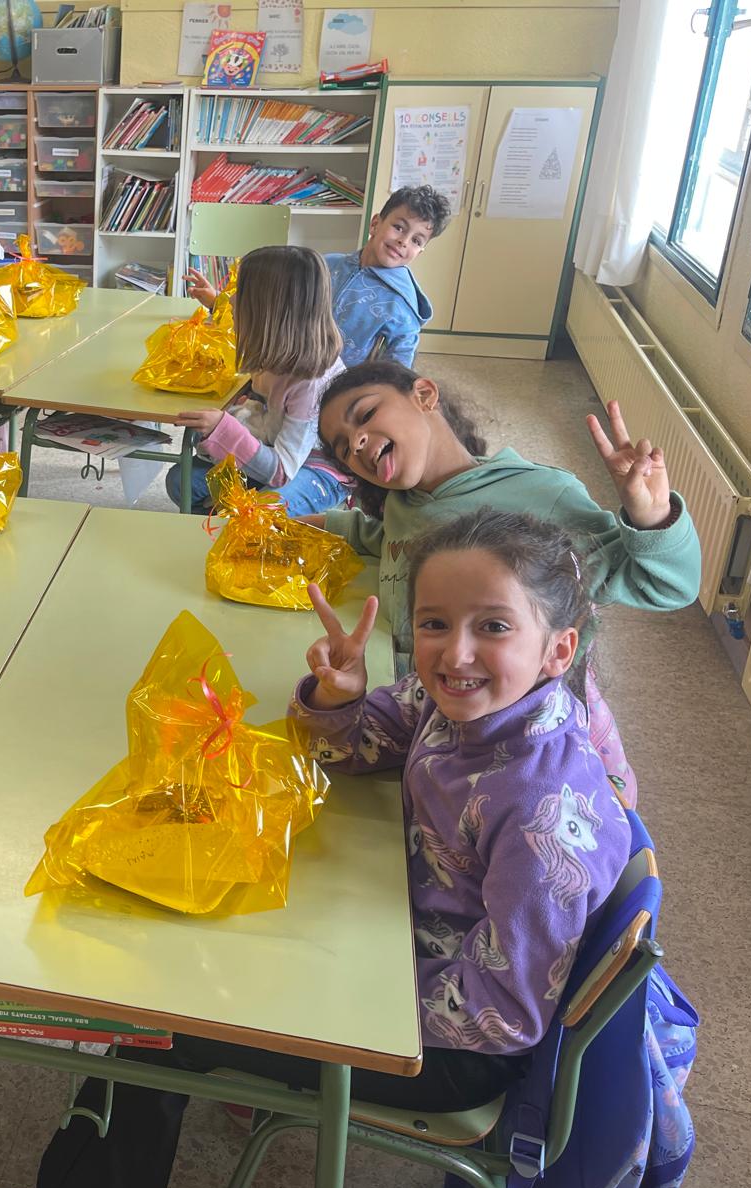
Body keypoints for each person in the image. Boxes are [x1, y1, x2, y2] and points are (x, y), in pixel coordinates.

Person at [9, 508, 629, 1188]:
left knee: (163, 1023)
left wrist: (331, 987)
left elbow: (504, 1011)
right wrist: (338, 698)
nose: (456, 653)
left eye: (494, 626)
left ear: (559, 651)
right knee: (204, 928)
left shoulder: (543, 810)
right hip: (409, 943)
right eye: (434, 623)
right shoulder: (467, 701)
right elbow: (353, 746)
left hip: (452, 1045)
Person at [315, 358, 702, 806]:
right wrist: (290, 521)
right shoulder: (405, 502)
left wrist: (652, 515)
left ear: (425, 395)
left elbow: (668, 584)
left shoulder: (543, 495)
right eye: (343, 448)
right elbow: (388, 539)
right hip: (435, 712)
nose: (356, 443)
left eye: (366, 415)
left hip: (527, 745)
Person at [168, 246, 350, 516]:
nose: (232, 301)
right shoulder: (278, 348)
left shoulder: (310, 381)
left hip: (318, 469)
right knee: (181, 481)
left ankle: (237, 523)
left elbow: (281, 471)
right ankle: (225, 522)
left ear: (269, 312)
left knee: (260, 511)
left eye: (241, 293)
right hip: (272, 445)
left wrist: (223, 429)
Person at [323, 185, 448, 367]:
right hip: (297, 364)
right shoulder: (326, 264)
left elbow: (400, 365)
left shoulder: (402, 303)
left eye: (416, 240)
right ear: (375, 224)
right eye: (399, 227)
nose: (403, 242)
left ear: (420, 251)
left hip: (346, 380)